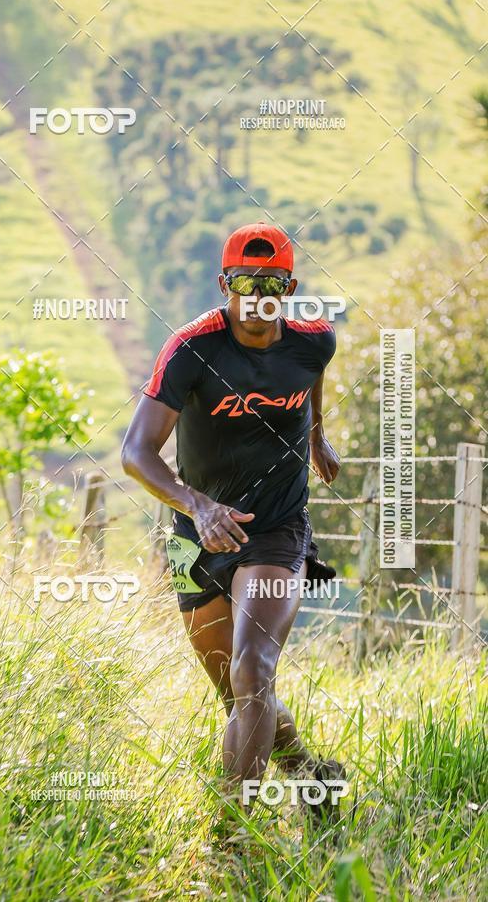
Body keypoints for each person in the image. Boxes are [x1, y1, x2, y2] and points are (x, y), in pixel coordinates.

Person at [121, 222, 343, 816]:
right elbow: (135, 453)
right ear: (225, 285)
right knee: (237, 694)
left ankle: (233, 834)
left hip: (276, 528)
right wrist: (198, 506)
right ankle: (314, 777)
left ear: (289, 289)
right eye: (245, 283)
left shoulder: (315, 340)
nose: (257, 297)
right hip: (195, 538)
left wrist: (316, 437)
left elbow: (311, 376)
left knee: (253, 672)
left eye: (271, 285)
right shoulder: (192, 348)